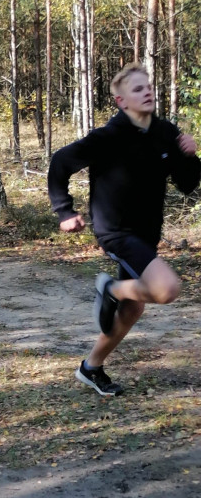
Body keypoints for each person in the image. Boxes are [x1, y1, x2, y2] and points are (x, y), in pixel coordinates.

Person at [48, 62, 200, 395]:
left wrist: (190, 155)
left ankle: (91, 367)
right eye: (137, 89)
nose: (147, 92)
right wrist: (64, 211)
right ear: (121, 101)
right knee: (166, 289)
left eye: (148, 87)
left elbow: (187, 185)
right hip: (115, 230)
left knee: (134, 308)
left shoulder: (164, 133)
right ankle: (111, 289)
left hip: (146, 234)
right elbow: (60, 162)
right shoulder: (108, 137)